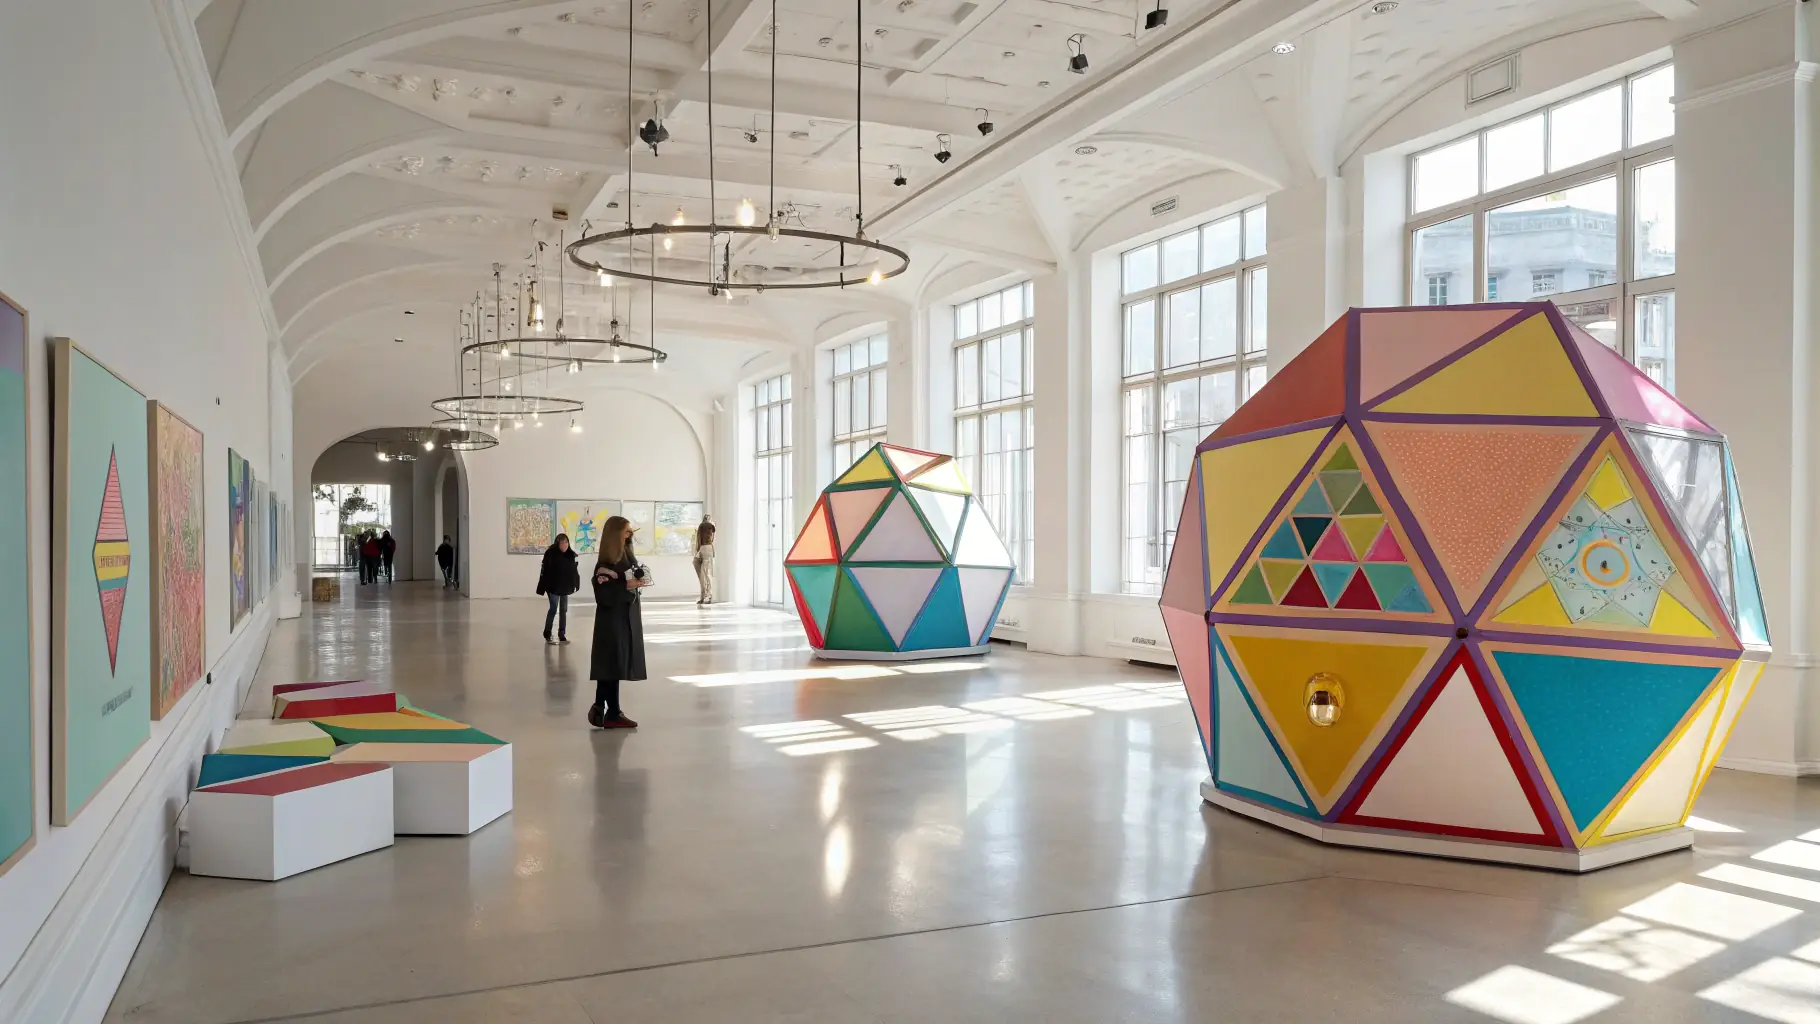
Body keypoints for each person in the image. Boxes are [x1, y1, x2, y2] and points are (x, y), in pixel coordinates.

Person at [588, 516, 648, 729]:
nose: (629, 535)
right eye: (626, 532)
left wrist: (636, 581)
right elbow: (604, 596)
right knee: (611, 663)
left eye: (630, 532)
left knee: (613, 664)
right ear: (615, 535)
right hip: (611, 620)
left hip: (623, 618)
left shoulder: (625, 556)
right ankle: (608, 710)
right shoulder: (606, 564)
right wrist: (626, 585)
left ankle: (607, 709)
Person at [537, 533, 580, 644]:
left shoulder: (570, 555)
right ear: (558, 544)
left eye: (566, 542)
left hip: (565, 587)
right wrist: (542, 587)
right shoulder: (551, 554)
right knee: (553, 608)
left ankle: (562, 633)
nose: (564, 545)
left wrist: (576, 583)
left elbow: (574, 571)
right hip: (553, 587)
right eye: (562, 543)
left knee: (563, 610)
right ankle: (547, 633)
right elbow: (544, 572)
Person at [693, 515, 716, 605]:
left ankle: (703, 596)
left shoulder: (701, 526)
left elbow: (698, 540)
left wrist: (697, 550)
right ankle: (708, 596)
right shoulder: (711, 526)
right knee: (707, 574)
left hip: (702, 548)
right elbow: (712, 539)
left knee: (702, 573)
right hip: (708, 548)